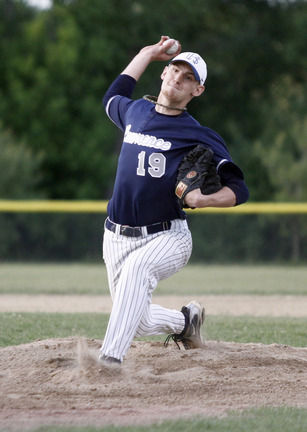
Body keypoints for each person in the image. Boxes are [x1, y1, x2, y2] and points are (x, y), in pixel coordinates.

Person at [99, 36, 249, 366]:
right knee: (135, 319)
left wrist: (203, 199)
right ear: (165, 73)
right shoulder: (135, 111)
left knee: (138, 272)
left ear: (198, 91)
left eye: (189, 78)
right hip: (114, 236)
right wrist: (145, 54)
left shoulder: (198, 134)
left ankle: (108, 362)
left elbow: (239, 189)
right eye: (176, 71)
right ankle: (186, 323)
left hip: (167, 236)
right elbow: (113, 97)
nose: (179, 79)